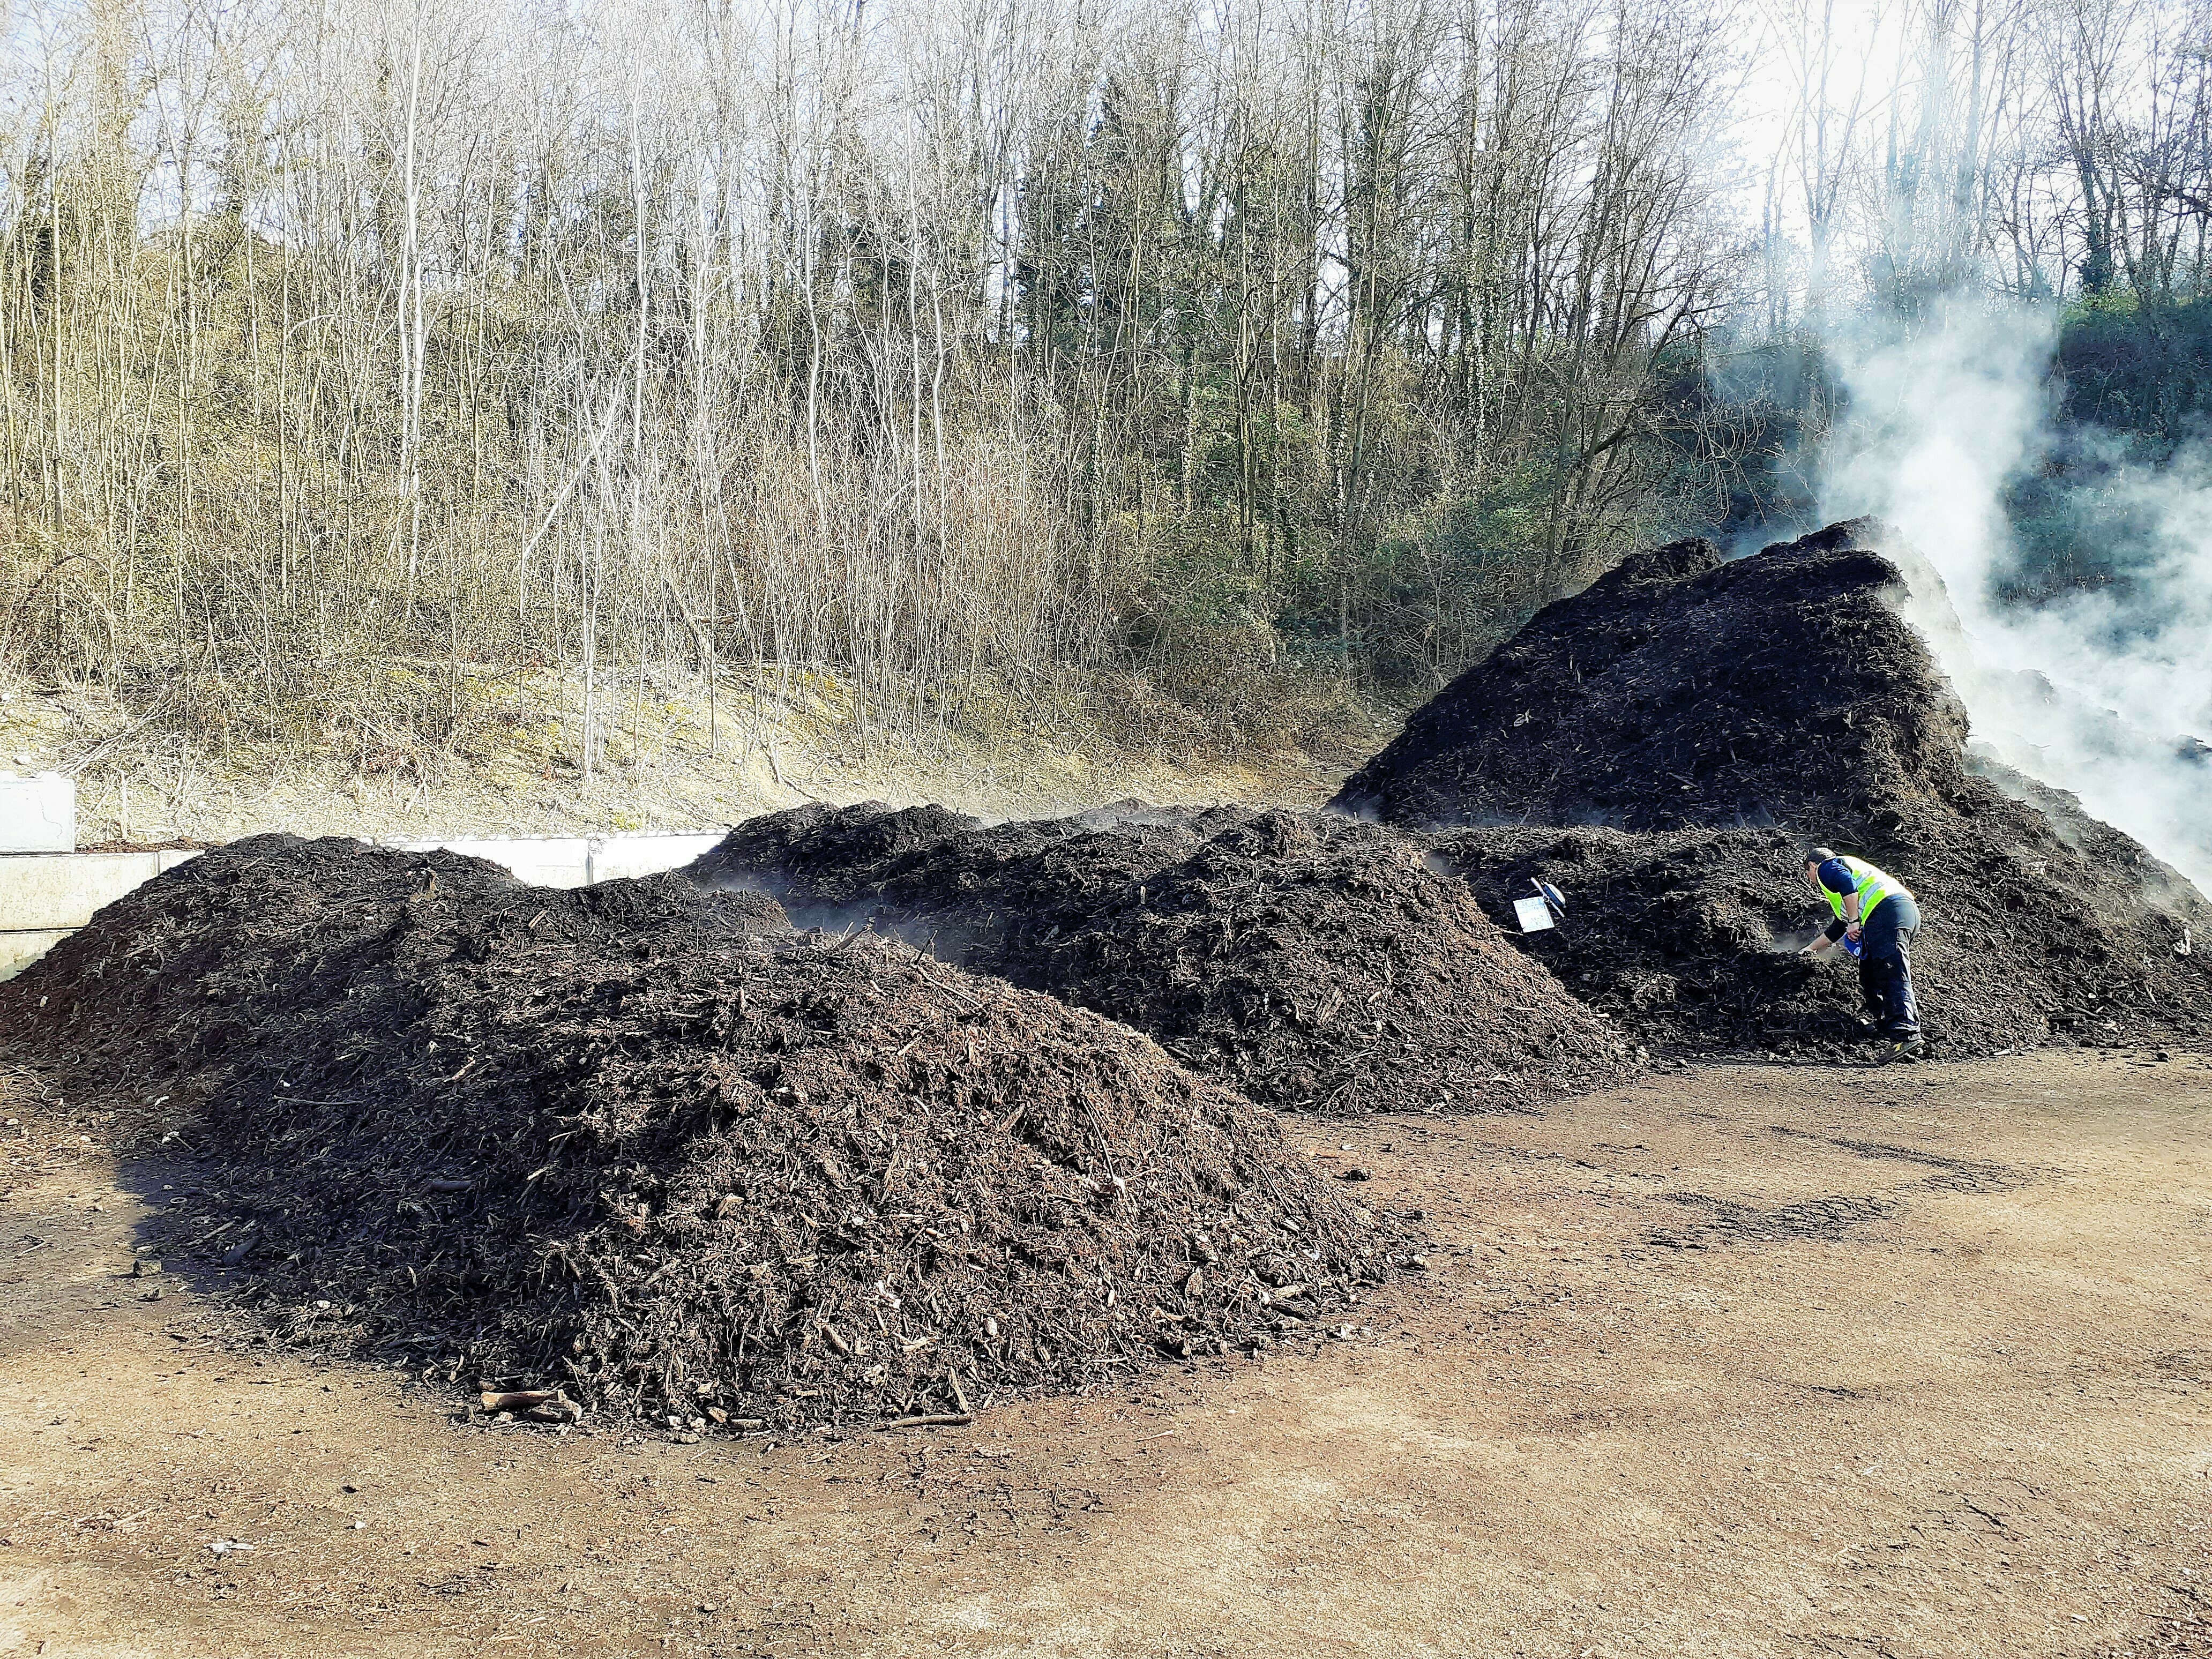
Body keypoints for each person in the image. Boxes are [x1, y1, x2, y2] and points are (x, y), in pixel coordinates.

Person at [1799, 847, 1925, 1062]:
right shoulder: (1848, 890)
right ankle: (1885, 1024)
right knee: (1870, 973)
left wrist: (1855, 921)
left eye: (1808, 873)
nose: (1811, 878)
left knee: (1891, 968)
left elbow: (1847, 887)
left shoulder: (1827, 867)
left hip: (1888, 911)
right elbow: (1839, 926)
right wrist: (1810, 949)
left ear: (1812, 866)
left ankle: (1907, 1033)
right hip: (1901, 912)